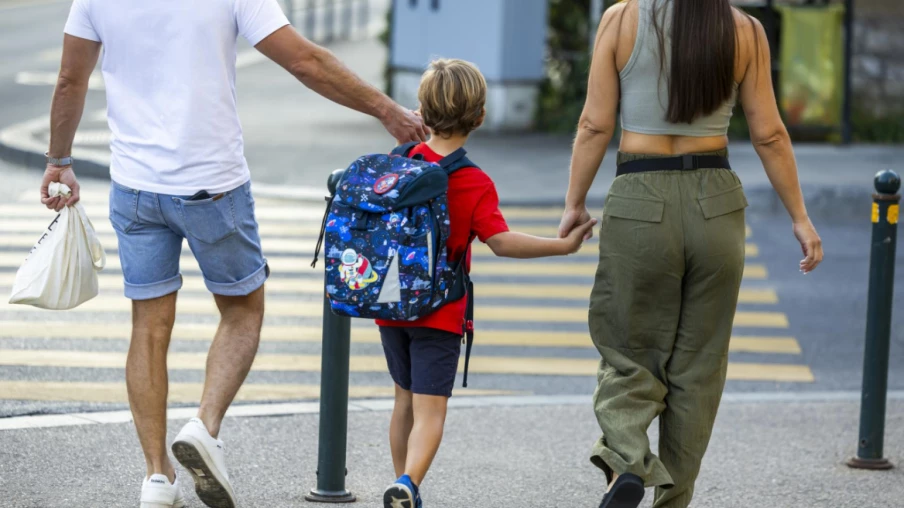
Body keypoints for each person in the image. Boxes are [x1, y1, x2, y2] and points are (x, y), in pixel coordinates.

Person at [42, 1, 426, 507]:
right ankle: (205, 425)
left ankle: (157, 479)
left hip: (134, 187)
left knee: (149, 327)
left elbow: (71, 79)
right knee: (243, 309)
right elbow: (304, 60)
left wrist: (58, 162)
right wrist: (387, 110)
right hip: (213, 187)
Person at [556, 1, 824, 507]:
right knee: (698, 368)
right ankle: (672, 501)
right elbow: (768, 133)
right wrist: (800, 218)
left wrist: (574, 203)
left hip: (640, 196)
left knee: (628, 351)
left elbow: (595, 124)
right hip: (717, 206)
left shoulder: (622, 18)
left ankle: (628, 463)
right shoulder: (746, 30)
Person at [375, 59, 597, 508]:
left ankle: (402, 481)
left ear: (421, 109)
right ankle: (407, 485)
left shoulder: (400, 161)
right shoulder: (474, 182)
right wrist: (562, 247)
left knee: (403, 400)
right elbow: (501, 241)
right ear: (479, 118)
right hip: (439, 313)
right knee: (430, 408)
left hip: (392, 302)